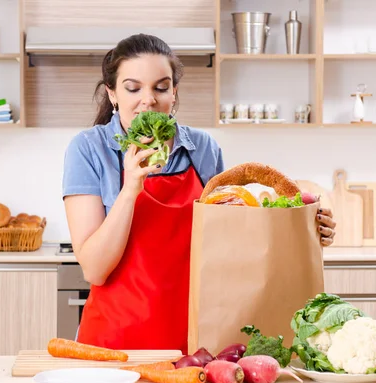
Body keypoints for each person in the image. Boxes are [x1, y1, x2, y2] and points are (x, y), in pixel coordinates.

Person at [62, 34, 337, 353]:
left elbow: (232, 247)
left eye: (161, 87)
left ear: (174, 94)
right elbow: (94, 269)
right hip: (113, 346)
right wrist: (131, 188)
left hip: (195, 343)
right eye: (133, 88)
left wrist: (304, 228)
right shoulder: (88, 149)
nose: (148, 100)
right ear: (112, 94)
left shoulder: (203, 149)